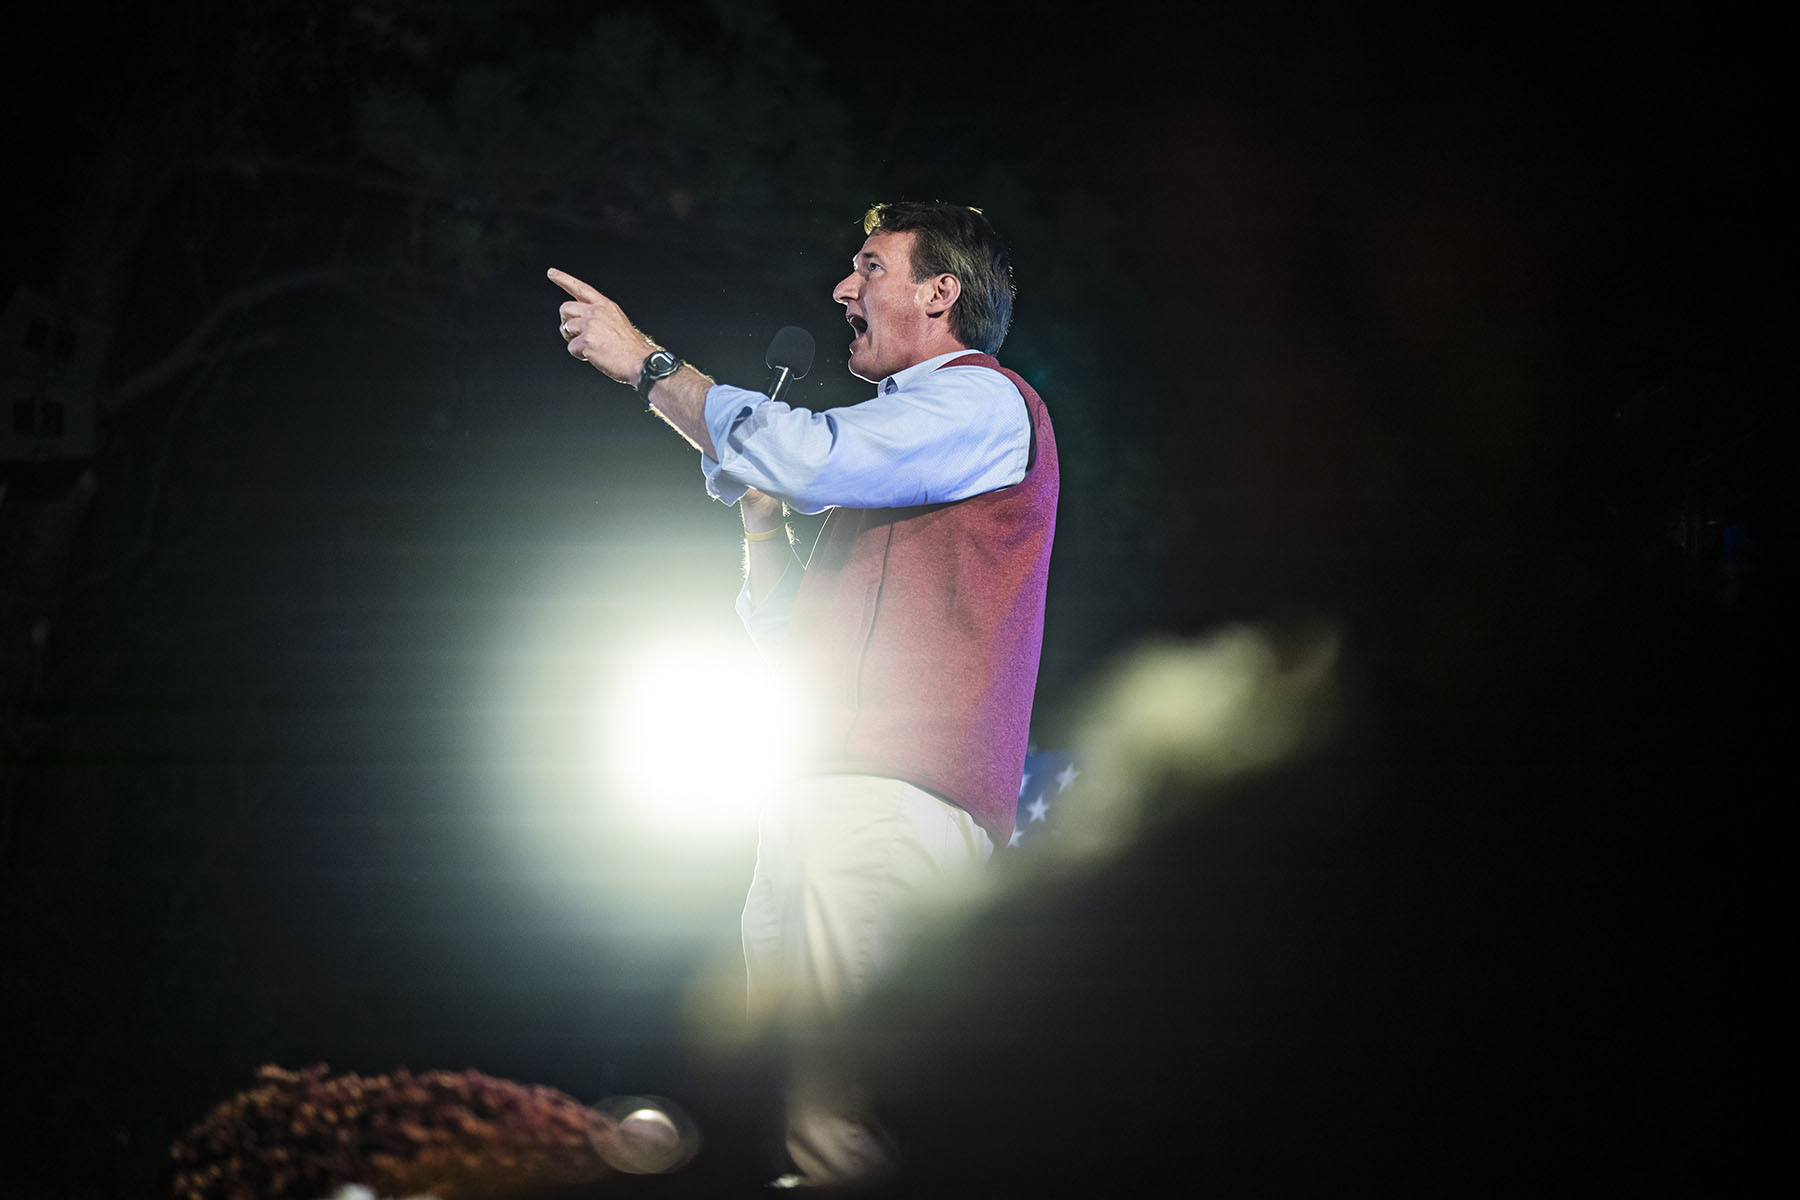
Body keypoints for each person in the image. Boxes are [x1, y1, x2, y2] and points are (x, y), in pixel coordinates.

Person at [550, 201, 1058, 1189]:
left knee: (844, 1131)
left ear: (940, 292)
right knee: (792, 1126)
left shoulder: (983, 403)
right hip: (820, 801)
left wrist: (648, 366)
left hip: (889, 808)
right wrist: (759, 533)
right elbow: (790, 641)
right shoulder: (899, 455)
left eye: (870, 268)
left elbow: (810, 454)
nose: (842, 290)